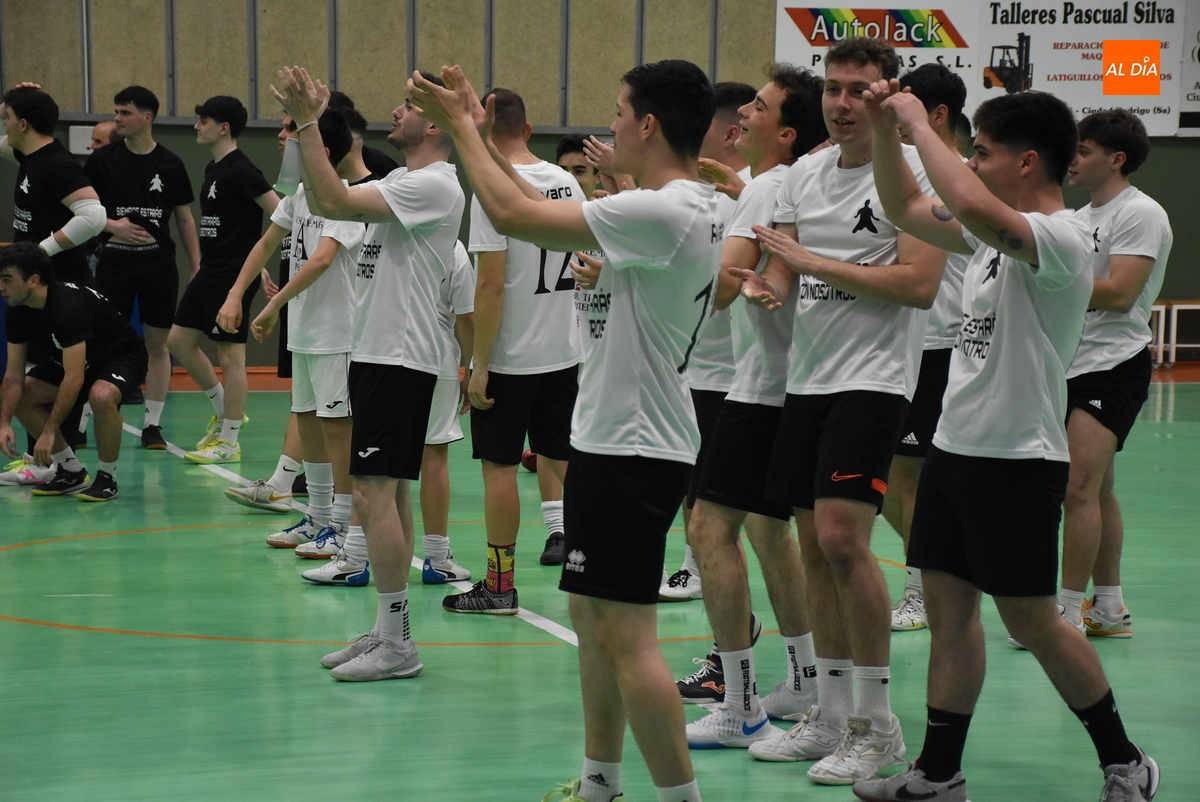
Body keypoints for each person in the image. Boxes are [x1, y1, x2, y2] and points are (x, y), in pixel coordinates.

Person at [408, 57, 719, 802]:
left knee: (629, 639)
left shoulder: (663, 210)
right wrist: (481, 137)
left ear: (649, 124)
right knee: (591, 617)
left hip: (635, 447)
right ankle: (600, 781)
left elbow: (515, 217)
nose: (609, 124)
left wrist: (463, 129)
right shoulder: (670, 205)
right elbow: (525, 201)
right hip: (615, 439)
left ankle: (680, 796)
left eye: (619, 111)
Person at [851, 75, 1158, 802]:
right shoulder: (989, 238)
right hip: (957, 451)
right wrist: (889, 137)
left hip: (1019, 461)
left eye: (983, 151)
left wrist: (915, 121)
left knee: (1035, 622)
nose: (972, 161)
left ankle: (1125, 761)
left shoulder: (1061, 237)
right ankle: (938, 774)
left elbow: (964, 200)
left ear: (1026, 161)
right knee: (951, 616)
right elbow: (904, 206)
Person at [733, 37, 947, 785]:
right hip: (808, 378)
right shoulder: (804, 175)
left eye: (860, 90)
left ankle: (877, 724)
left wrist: (810, 265)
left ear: (889, 96)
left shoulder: (915, 174)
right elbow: (783, 270)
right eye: (833, 88)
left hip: (876, 378)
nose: (842, 102)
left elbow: (919, 284)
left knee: (842, 540)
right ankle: (828, 712)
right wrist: (763, 287)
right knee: (812, 543)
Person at [271, 68, 465, 681]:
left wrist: (309, 122)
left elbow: (332, 201)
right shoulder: (402, 181)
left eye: (408, 106)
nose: (396, 112)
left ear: (435, 126)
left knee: (371, 494)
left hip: (400, 357)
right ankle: (389, 630)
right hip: (378, 354)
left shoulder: (433, 185)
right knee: (391, 494)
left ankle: (399, 645)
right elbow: (328, 196)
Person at [678, 64, 830, 750]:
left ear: (787, 131)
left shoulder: (767, 186)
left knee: (708, 529)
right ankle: (805, 677)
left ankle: (739, 703)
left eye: (759, 108)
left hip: (760, 387)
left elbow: (724, 282)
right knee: (771, 533)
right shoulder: (784, 184)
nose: (744, 115)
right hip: (789, 382)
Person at [450, 87, 582, 613]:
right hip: (564, 351)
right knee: (568, 463)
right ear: (527, 129)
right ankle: (605, 564)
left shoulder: (492, 188)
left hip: (512, 357)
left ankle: (499, 587)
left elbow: (490, 284)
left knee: (500, 468)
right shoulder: (568, 181)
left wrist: (479, 365)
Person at [214, 110, 369, 558]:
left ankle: (342, 526)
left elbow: (322, 259)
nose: (283, 140)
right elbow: (266, 243)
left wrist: (274, 304)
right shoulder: (300, 194)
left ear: (321, 148)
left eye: (293, 134)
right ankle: (317, 517)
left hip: (338, 334)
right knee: (309, 421)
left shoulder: (347, 197)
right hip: (304, 331)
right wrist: (235, 294)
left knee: (338, 430)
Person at [1057, 109, 1172, 639]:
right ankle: (1109, 607)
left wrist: (1047, 279)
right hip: (1070, 361)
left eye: (1083, 151)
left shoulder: (1140, 213)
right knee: (1097, 489)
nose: (1072, 160)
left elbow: (1122, 293)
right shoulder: (1079, 218)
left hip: (1113, 364)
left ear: (1116, 159)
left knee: (1077, 486)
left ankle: (1064, 612)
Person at [883, 63, 971, 632]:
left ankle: (923, 591)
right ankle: (940, 574)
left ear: (936, 114)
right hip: (909, 345)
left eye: (904, 108)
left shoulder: (959, 179)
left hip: (944, 346)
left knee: (912, 477)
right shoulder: (904, 171)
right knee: (902, 477)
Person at [660, 82, 755, 604]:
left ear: (730, 132)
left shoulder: (754, 193)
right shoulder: (695, 193)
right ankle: (693, 565)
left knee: (742, 514)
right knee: (693, 485)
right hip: (695, 365)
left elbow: (725, 286)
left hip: (737, 371)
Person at [85, 86, 201, 451]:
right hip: (114, 262)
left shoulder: (170, 164)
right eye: (117, 111)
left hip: (157, 263)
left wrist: (197, 264)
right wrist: (113, 226)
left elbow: (184, 218)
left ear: (147, 117)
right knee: (100, 341)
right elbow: (82, 210)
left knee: (157, 343)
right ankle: (84, 421)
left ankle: (152, 424)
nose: (117, 118)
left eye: (125, 112)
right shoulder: (102, 161)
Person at [167, 96, 278, 464]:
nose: (197, 127)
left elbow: (281, 214)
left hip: (232, 276)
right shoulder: (213, 168)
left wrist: (255, 263)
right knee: (178, 341)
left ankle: (229, 442)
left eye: (203, 121)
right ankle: (223, 409)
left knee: (231, 355)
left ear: (224, 127)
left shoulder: (243, 170)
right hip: (210, 270)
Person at [0, 242, 146, 500]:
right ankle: (70, 471)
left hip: (121, 355)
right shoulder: (17, 312)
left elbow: (75, 377)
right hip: (76, 360)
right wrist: (3, 422)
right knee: (25, 394)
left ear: (33, 281)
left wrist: (48, 431)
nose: (1, 287)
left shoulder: (68, 307)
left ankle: (107, 478)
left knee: (101, 395)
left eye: (7, 280)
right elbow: (13, 377)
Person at [2, 85, 105, 289]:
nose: (5, 123)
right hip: (34, 281)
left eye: (7, 117)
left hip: (61, 285)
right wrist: (12, 101)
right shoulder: (26, 155)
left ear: (23, 124)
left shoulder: (58, 163)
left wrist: (40, 251)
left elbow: (94, 217)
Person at [556, 135, 601, 200]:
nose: (569, 178)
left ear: (598, 177)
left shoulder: (608, 205)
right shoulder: (544, 205)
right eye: (563, 171)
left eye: (579, 171)